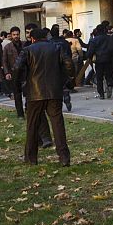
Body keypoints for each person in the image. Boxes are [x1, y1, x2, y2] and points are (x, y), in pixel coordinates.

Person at [13, 28, 76, 166]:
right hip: (54, 91)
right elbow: (69, 64)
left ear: (32, 38)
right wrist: (68, 79)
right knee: (58, 125)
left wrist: (19, 84)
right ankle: (64, 157)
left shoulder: (28, 50)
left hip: (34, 93)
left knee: (32, 125)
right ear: (46, 37)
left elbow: (17, 67)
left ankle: (31, 157)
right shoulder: (57, 48)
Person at [88, 24, 113, 100]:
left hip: (98, 61)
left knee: (99, 78)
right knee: (109, 75)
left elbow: (90, 52)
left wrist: (89, 57)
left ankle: (101, 94)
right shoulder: (110, 38)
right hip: (109, 59)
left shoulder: (94, 40)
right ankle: (109, 85)